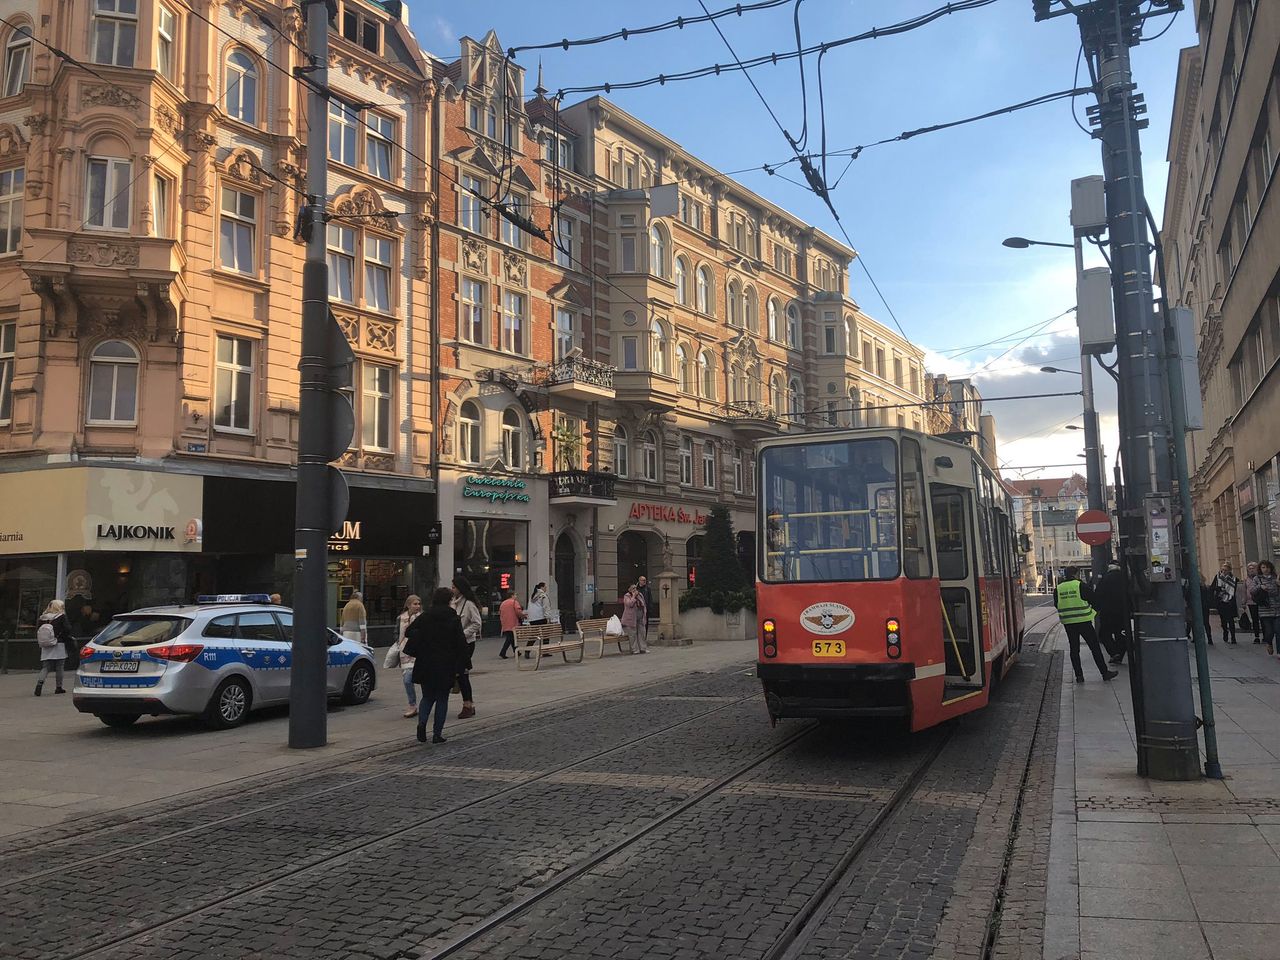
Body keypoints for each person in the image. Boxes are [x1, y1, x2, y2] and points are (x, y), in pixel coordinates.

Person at [402, 588, 468, 744]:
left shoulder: (426, 616)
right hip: (445, 662)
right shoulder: (452, 618)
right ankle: (437, 733)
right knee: (442, 699)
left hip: (426, 661)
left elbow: (409, 632)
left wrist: (423, 637)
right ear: (448, 601)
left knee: (427, 696)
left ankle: (422, 724)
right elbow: (460, 642)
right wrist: (463, 663)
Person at [1054, 566, 1117, 683]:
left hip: (1068, 623)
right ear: (1076, 574)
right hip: (1083, 621)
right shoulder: (1080, 585)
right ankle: (1104, 672)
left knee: (1074, 649)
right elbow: (1095, 600)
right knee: (1094, 648)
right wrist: (1092, 612)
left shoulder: (1058, 588)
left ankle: (1079, 676)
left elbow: (1056, 604)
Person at [451, 577, 482, 719]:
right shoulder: (453, 603)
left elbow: (477, 623)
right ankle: (469, 704)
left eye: (454, 587)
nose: (452, 589)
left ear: (460, 588)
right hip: (455, 644)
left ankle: (468, 705)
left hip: (467, 644)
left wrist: (463, 634)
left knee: (462, 674)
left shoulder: (469, 604)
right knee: (460, 674)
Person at [1093, 561, 1131, 666]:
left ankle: (1114, 653)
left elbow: (1098, 594)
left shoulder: (1105, 578)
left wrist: (1097, 607)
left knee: (1104, 634)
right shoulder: (1125, 578)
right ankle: (1119, 654)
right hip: (1123, 611)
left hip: (1107, 612)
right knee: (1121, 634)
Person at [34, 599, 73, 696]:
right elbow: (68, 629)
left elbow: (38, 630)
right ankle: (58, 687)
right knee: (59, 666)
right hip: (58, 644)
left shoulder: (42, 618)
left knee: (46, 667)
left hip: (46, 645)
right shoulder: (61, 616)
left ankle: (39, 684)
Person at [394, 595, 421, 718]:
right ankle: (412, 705)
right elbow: (396, 633)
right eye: (415, 604)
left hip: (420, 652)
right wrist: (398, 645)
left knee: (423, 680)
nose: (417, 606)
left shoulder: (422, 617)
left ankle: (426, 702)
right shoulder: (401, 618)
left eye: (419, 604)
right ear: (408, 605)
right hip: (405, 652)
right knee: (407, 679)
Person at [1253, 561, 1280, 655]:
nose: (1266, 569)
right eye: (1263, 567)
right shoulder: (1257, 578)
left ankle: (1279, 652)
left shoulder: (1275, 577)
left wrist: (1278, 584)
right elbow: (1252, 591)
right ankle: (1269, 643)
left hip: (1277, 608)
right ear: (1260, 569)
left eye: (1267, 567)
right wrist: (1260, 587)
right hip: (1265, 609)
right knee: (1269, 632)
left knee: (1278, 630)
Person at [1211, 561, 1240, 645]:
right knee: (1223, 620)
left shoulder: (1234, 579)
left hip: (1230, 601)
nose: (1223, 572)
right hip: (1221, 601)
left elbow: (1235, 591)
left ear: (1229, 570)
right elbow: (1212, 588)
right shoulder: (1217, 577)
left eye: (1225, 570)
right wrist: (1218, 589)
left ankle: (1233, 637)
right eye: (1222, 570)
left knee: (1231, 620)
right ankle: (1225, 631)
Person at [621, 584, 648, 654]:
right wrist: (633, 596)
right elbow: (629, 604)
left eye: (636, 588)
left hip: (640, 616)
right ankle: (634, 649)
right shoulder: (627, 596)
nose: (635, 590)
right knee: (632, 634)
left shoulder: (640, 595)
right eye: (633, 588)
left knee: (642, 632)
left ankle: (643, 648)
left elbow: (643, 604)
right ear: (629, 589)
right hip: (631, 618)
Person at [497, 589, 524, 659]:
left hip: (505, 623)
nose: (516, 596)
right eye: (515, 595)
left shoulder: (503, 603)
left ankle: (516, 651)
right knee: (510, 638)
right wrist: (523, 616)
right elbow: (518, 612)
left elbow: (500, 613)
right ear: (512, 595)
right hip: (513, 623)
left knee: (511, 638)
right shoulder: (514, 602)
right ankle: (502, 652)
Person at [1245, 561, 1263, 644]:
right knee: (1254, 619)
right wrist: (1244, 601)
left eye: (1253, 568)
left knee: (1263, 619)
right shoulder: (1247, 579)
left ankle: (1265, 635)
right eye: (1250, 568)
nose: (1251, 570)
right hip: (1251, 602)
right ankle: (1257, 636)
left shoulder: (1260, 577)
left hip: (1260, 601)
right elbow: (1245, 590)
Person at [637, 576, 655, 647]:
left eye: (645, 580)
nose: (644, 581)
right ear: (639, 581)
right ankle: (639, 639)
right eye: (643, 580)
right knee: (639, 625)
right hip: (638, 610)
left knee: (645, 624)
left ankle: (644, 638)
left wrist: (650, 608)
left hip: (646, 609)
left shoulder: (647, 589)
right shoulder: (636, 588)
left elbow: (650, 598)